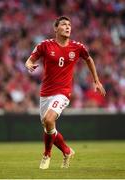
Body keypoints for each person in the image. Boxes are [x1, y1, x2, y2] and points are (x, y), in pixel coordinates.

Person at [25, 16, 106, 169]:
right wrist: (29, 65)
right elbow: (30, 60)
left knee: (49, 120)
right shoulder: (45, 45)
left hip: (63, 92)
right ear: (56, 28)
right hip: (45, 93)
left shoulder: (77, 47)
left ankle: (46, 154)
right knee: (49, 128)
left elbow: (89, 59)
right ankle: (67, 151)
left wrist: (96, 80)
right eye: (63, 24)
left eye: (69, 24)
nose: (68, 27)